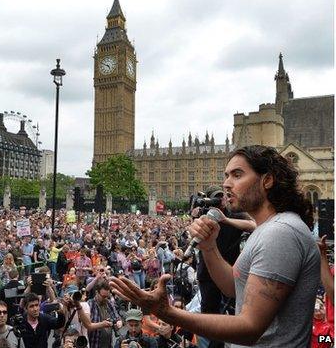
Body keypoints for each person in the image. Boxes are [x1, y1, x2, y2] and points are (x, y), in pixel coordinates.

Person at [110, 145, 321, 347]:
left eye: (237, 175)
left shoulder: (280, 233)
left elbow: (250, 328)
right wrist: (209, 247)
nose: (227, 184)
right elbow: (232, 287)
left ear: (267, 180)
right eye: (226, 176)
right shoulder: (266, 229)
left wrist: (167, 312)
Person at [194, 185, 256, 348]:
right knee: (209, 315)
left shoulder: (235, 214)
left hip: (231, 272)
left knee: (236, 312)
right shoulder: (204, 217)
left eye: (220, 197)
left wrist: (225, 220)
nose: (220, 201)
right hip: (207, 273)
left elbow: (254, 225)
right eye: (215, 198)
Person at [76, 281, 122, 348]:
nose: (106, 299)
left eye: (107, 296)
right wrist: (102, 324)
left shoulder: (109, 303)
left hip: (107, 344)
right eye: (103, 296)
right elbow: (86, 326)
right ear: (97, 292)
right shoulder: (89, 305)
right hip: (94, 343)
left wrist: (119, 323)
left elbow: (117, 317)